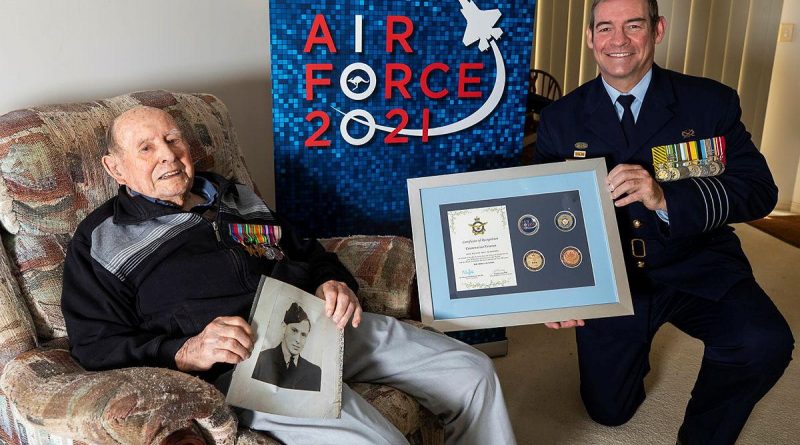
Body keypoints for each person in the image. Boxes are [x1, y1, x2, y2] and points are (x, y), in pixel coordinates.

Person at [61, 106, 516, 445]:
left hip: (316, 320)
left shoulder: (231, 193)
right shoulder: (100, 240)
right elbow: (94, 344)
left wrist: (332, 282)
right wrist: (185, 351)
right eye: (146, 148)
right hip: (250, 361)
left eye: (174, 140)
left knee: (473, 372)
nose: (169, 156)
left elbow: (307, 251)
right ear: (114, 167)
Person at [534, 0, 794, 444]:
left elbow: (758, 190)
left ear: (657, 29)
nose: (617, 41)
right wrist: (555, 292)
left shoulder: (709, 102)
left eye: (633, 25)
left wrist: (664, 196)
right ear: (590, 37)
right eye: (605, 28)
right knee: (608, 411)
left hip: (696, 259)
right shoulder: (561, 118)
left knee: (762, 342)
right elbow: (541, 214)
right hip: (612, 279)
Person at [252, 303, 321, 391]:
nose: (298, 340)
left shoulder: (315, 372)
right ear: (284, 327)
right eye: (294, 330)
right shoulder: (261, 359)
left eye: (303, 335)